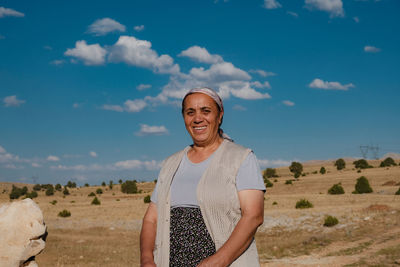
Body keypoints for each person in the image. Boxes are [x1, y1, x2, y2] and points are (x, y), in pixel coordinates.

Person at [140, 87, 265, 267]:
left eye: (206, 111)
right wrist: (146, 259)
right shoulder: (170, 164)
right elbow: (151, 219)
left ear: (220, 115)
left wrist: (217, 261)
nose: (198, 118)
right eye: (190, 112)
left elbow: (253, 216)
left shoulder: (242, 158)